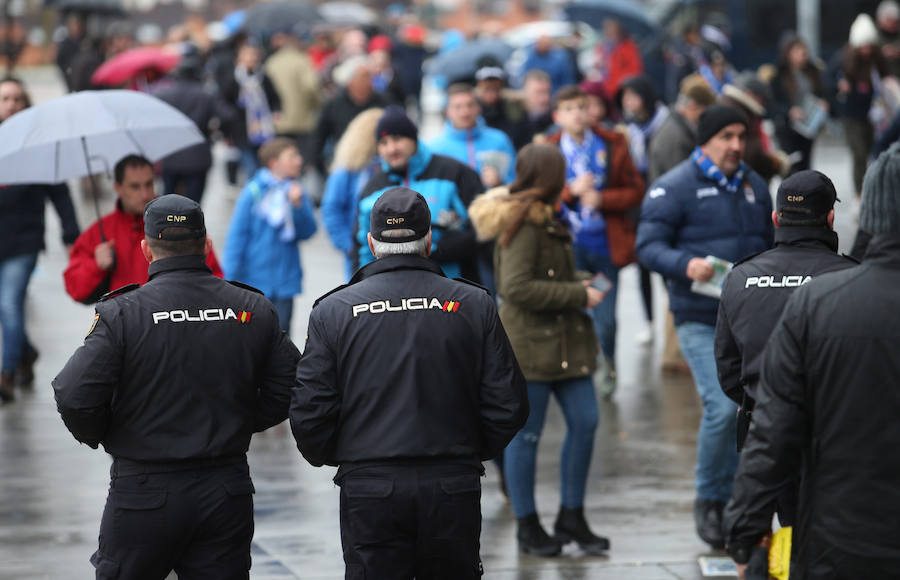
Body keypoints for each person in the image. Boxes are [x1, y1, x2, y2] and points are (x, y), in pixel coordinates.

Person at [53, 194, 299, 580]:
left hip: (144, 490)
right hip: (224, 488)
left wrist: (113, 433)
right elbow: (292, 384)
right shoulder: (250, 308)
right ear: (206, 245)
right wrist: (239, 420)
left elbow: (73, 394)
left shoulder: (122, 313)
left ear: (146, 250)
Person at [291, 186, 528, 579]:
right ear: (430, 240)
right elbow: (509, 403)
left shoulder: (333, 310)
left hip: (371, 485)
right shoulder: (472, 303)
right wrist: (465, 450)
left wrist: (353, 458)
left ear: (370, 242)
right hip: (451, 482)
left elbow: (309, 412)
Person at [724, 144, 900, 579]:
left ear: (775, 218)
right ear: (831, 218)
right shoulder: (840, 277)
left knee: (794, 540)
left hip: (824, 498)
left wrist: (743, 528)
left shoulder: (748, 280)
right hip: (847, 467)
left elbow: (734, 377)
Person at [636, 105, 773, 550]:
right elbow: (648, 246)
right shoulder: (674, 187)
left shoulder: (754, 185)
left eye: (741, 136)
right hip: (698, 319)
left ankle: (742, 500)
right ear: (706, 140)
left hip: (750, 321)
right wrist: (685, 263)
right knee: (722, 406)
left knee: (754, 410)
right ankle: (709, 500)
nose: (736, 145)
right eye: (727, 137)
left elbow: (772, 247)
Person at [469, 144, 609, 557]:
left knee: (586, 422)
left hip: (567, 344)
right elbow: (514, 287)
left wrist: (584, 282)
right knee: (525, 437)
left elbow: (551, 275)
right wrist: (576, 293)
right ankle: (528, 526)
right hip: (530, 348)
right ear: (548, 176)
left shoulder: (551, 215)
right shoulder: (523, 223)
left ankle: (572, 516)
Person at [545, 86, 645, 398]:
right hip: (566, 251)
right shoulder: (549, 151)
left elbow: (635, 190)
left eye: (581, 107)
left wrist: (603, 198)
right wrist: (569, 192)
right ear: (557, 116)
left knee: (605, 317)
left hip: (603, 249)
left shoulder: (612, 144)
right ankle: (578, 370)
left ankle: (608, 363)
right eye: (569, 108)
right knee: (572, 312)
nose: (577, 114)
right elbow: (538, 199)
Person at [0, 77, 80, 401]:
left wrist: (70, 233)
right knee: (5, 309)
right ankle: (25, 353)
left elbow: (59, 192)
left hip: (24, 240)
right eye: (5, 98)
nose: (11, 104)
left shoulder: (39, 146)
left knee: (9, 303)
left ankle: (5, 374)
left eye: (17, 98)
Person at [64, 155, 223, 304]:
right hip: (122, 325)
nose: (145, 194)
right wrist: (96, 266)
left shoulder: (178, 223)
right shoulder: (101, 230)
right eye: (135, 187)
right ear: (118, 188)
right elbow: (75, 289)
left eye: (149, 184)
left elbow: (215, 281)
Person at [356, 106, 483, 280]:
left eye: (397, 139)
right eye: (384, 143)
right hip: (392, 292)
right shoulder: (373, 187)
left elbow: (480, 228)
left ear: (414, 138)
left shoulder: (454, 173)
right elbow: (362, 245)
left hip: (452, 288)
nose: (391, 149)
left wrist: (433, 248)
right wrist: (362, 285)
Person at [647, 73, 717, 375]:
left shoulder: (674, 128)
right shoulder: (677, 136)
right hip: (674, 222)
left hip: (670, 220)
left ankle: (675, 355)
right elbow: (680, 185)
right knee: (678, 289)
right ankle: (675, 357)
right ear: (691, 106)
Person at [223, 138, 318, 335]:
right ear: (274, 163)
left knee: (282, 337)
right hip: (254, 282)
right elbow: (237, 237)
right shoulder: (253, 192)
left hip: (285, 282)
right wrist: (229, 281)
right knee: (252, 337)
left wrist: (298, 206)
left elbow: (308, 231)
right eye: (292, 156)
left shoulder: (296, 191)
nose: (299, 160)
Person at [153, 49, 236, 202]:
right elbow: (227, 116)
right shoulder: (205, 94)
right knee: (193, 205)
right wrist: (216, 132)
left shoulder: (164, 94)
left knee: (167, 204)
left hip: (170, 155)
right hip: (198, 156)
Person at [321, 108, 384, 281]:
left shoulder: (390, 166)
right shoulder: (347, 170)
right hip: (360, 253)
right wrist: (348, 246)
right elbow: (331, 209)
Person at [834, 14, 888, 197]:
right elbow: (829, 80)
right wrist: (839, 85)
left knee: (875, 153)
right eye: (862, 47)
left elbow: (885, 77)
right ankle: (860, 193)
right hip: (851, 114)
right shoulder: (843, 58)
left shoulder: (876, 58)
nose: (866, 50)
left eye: (869, 46)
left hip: (874, 114)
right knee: (859, 154)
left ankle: (873, 190)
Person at [428, 83, 517, 188]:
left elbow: (515, 180)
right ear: (447, 112)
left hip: (492, 202)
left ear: (479, 108)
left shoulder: (499, 140)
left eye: (470, 105)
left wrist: (499, 182)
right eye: (458, 107)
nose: (465, 112)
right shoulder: (434, 148)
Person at [311, 56, 388, 175]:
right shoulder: (334, 104)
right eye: (364, 77)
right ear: (351, 81)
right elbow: (318, 137)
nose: (369, 81)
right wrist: (319, 167)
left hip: (378, 166)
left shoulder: (384, 102)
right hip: (345, 164)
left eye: (370, 76)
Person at [264, 28, 322, 170]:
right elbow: (311, 86)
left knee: (282, 159)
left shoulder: (271, 62)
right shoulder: (302, 60)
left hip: (278, 120)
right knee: (302, 161)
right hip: (302, 120)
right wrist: (316, 105)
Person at [771, 34, 828, 174]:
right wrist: (789, 110)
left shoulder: (813, 71)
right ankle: (790, 195)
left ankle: (803, 195)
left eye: (804, 52)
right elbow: (773, 102)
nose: (802, 56)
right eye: (798, 52)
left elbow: (822, 92)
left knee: (806, 164)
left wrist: (823, 102)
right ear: (788, 53)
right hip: (787, 127)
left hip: (808, 124)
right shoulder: (778, 74)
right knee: (791, 165)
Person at [592, 18, 643, 99]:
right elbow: (596, 68)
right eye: (606, 26)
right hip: (604, 90)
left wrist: (620, 83)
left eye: (610, 25)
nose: (607, 29)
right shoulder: (602, 46)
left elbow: (635, 70)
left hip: (621, 90)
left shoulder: (628, 46)